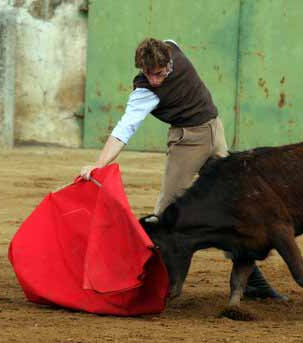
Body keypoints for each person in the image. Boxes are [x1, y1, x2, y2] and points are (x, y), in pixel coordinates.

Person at [80, 38, 286, 301]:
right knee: (165, 214)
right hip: (187, 143)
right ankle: (142, 279)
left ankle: (252, 282)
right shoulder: (144, 92)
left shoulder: (171, 47)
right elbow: (124, 129)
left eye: (159, 73)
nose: (154, 80)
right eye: (148, 73)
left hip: (215, 131)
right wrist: (99, 165)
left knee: (234, 206)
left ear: (169, 62)